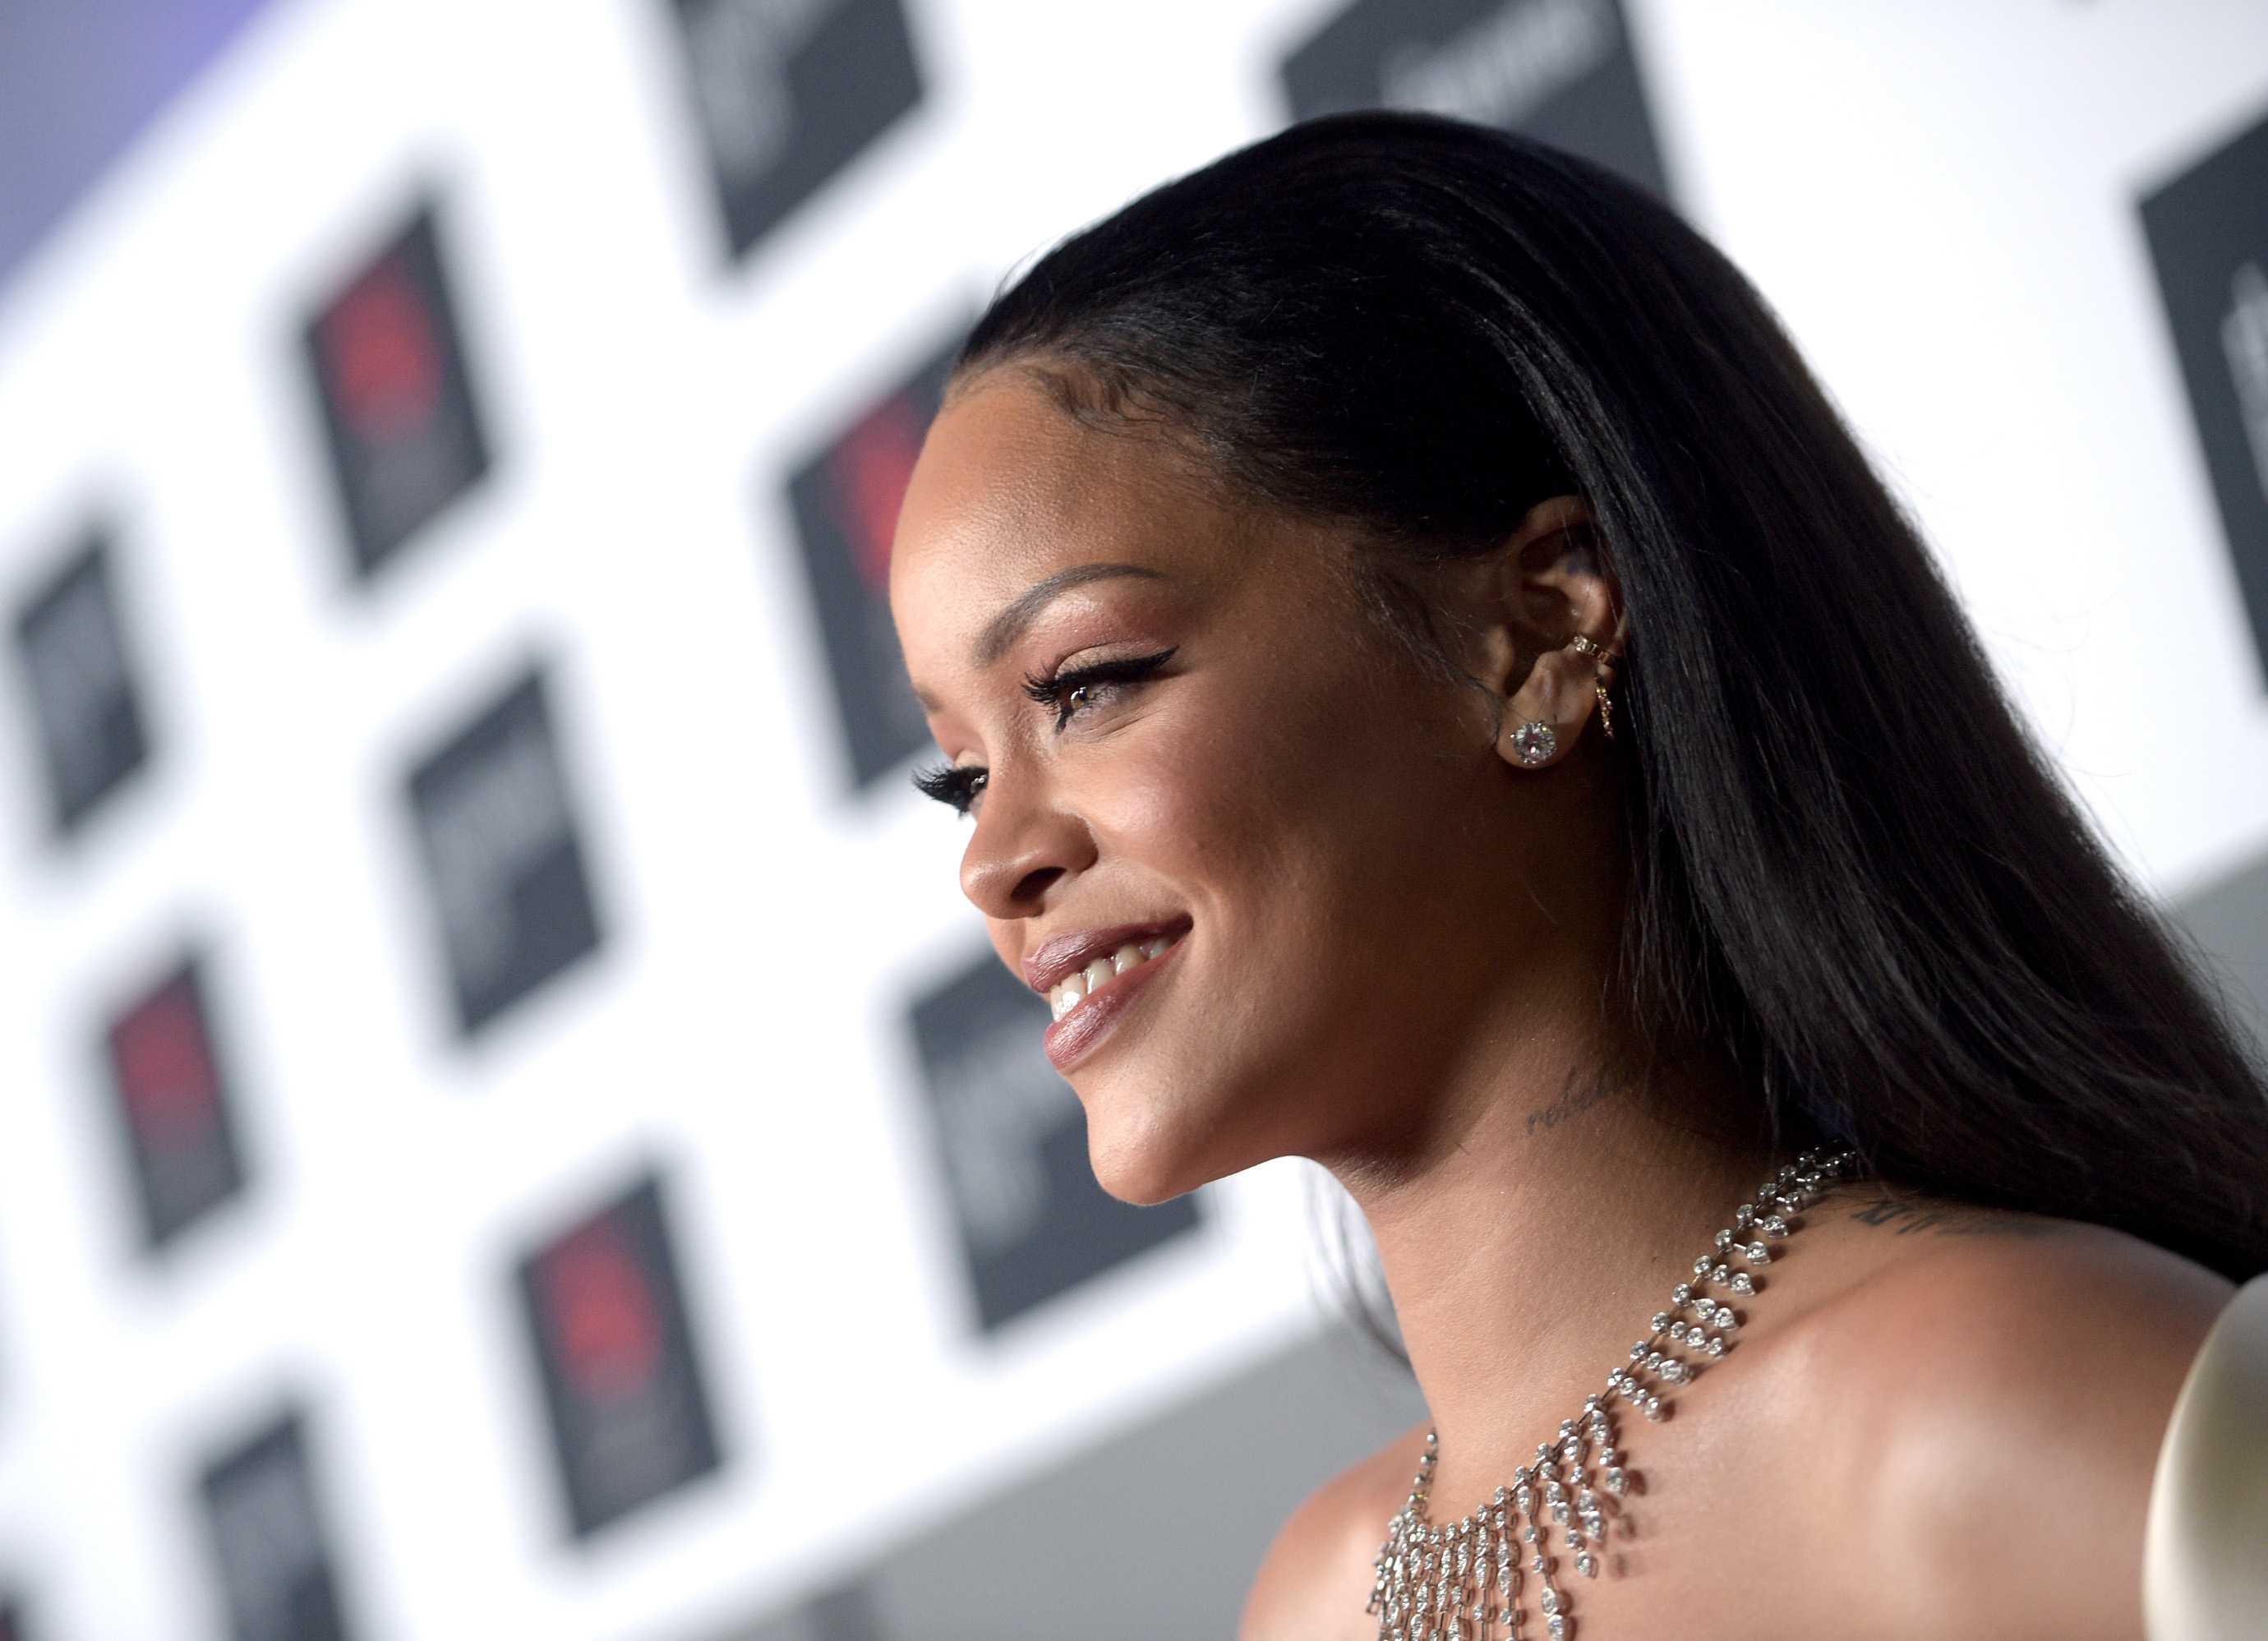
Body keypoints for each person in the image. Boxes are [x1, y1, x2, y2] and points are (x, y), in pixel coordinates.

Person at [884, 111, 2268, 1639]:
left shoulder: (2022, 1427)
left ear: (1544, 623)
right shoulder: (1314, 1602)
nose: (995, 862)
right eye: (960, 774)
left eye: (1089, 682)